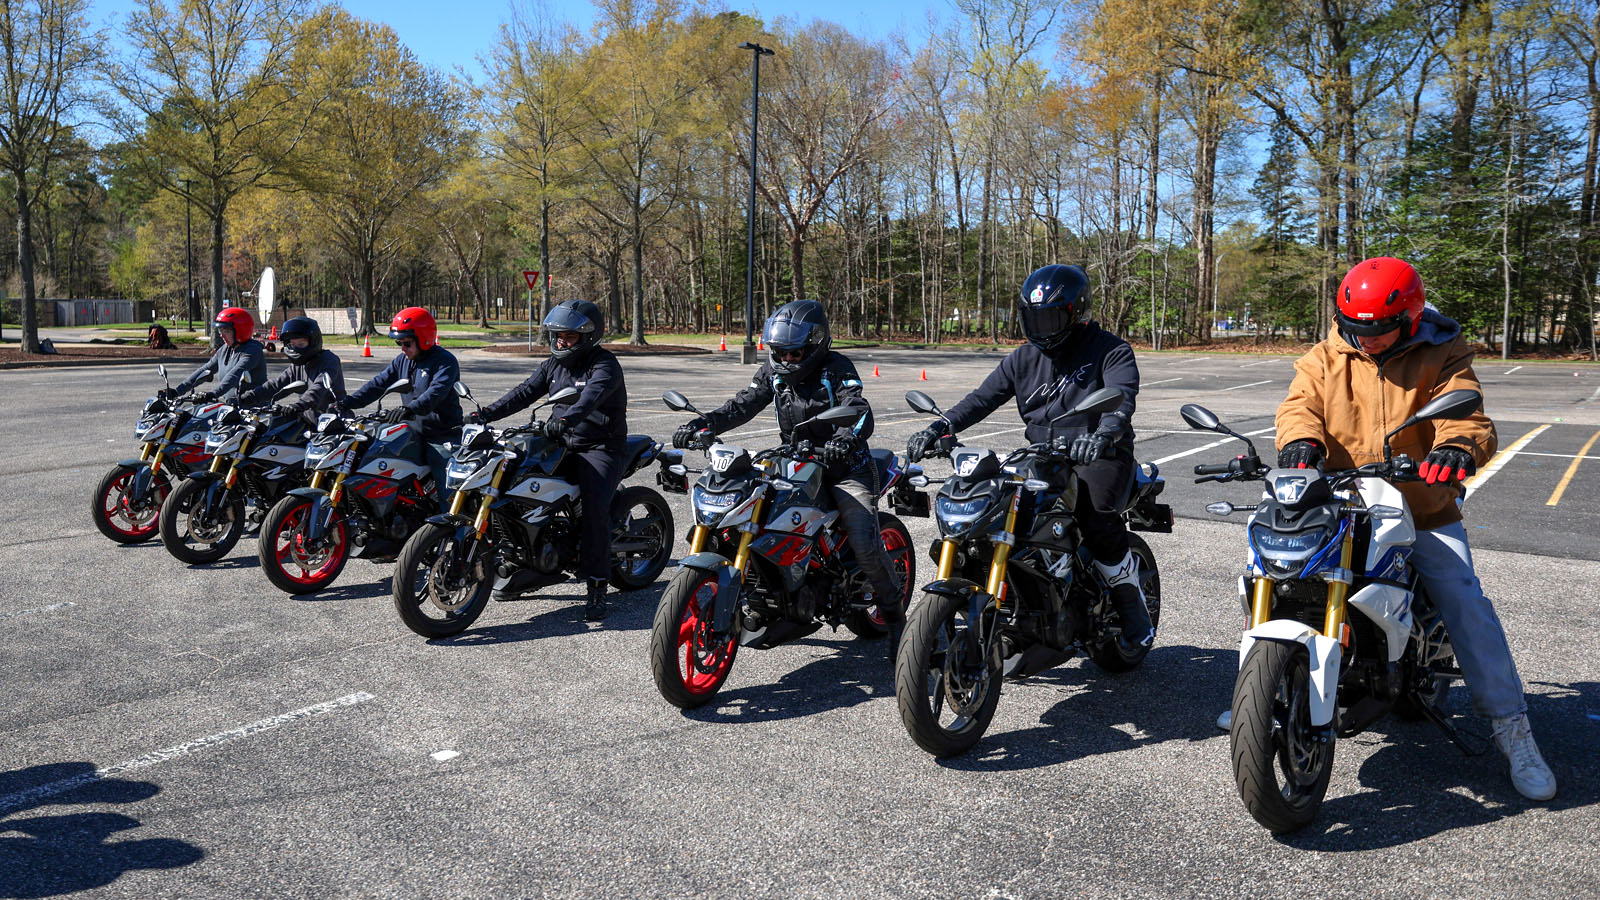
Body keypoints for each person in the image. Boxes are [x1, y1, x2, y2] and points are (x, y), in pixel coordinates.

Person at [1214, 256, 1556, 802]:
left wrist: (1455, 449)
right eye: (1356, 327)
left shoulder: (1443, 349)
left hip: (1421, 504)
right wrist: (1302, 442)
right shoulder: (1327, 353)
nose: (1365, 339)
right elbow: (1298, 405)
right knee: (1272, 570)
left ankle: (1514, 732)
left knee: (1464, 602)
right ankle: (1268, 686)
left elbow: (1467, 417)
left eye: (1377, 329)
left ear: (1410, 317)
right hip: (1342, 499)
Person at [905, 263, 1154, 650]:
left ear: (1077, 312)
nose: (1042, 328)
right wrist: (940, 427)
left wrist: (1104, 434)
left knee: (1094, 512)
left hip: (1100, 453)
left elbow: (1121, 401)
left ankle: (1131, 605)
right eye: (1033, 319)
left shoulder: (1111, 350)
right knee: (997, 505)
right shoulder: (1023, 359)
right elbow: (982, 399)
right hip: (1041, 453)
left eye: (1050, 317)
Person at [673, 299, 906, 639]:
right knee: (753, 511)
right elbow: (743, 404)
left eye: (793, 353)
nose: (785, 360)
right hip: (794, 459)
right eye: (779, 352)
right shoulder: (774, 371)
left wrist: (843, 440)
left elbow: (857, 410)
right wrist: (703, 425)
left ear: (814, 345)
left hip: (844, 467)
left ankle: (897, 621)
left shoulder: (836, 368)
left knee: (864, 543)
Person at [471, 301, 625, 621]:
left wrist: (566, 420)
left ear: (587, 336)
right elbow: (524, 392)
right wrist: (484, 414)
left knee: (595, 508)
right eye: (555, 335)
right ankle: (525, 563)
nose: (559, 342)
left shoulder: (604, 365)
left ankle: (597, 583)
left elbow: (589, 398)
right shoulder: (552, 366)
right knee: (514, 485)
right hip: (559, 443)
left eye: (567, 336)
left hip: (599, 447)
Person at [342, 307, 462, 505]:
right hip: (411, 430)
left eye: (406, 343)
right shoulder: (402, 361)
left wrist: (410, 409)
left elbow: (435, 394)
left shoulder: (445, 362)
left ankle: (451, 529)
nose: (402, 348)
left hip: (441, 435)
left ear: (424, 338)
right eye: (399, 343)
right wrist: (349, 402)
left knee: (447, 489)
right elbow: (378, 384)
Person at [237, 316, 346, 419]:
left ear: (314, 341)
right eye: (293, 344)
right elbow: (276, 385)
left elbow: (319, 388)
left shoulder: (329, 360)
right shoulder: (298, 366)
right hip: (309, 420)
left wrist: (299, 405)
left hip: (333, 421)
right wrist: (247, 397)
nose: (296, 348)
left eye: (301, 344)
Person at [162, 307, 267, 402]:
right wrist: (177, 391)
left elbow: (234, 375)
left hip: (254, 410)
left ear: (241, 330)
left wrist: (213, 394)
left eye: (226, 331)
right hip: (233, 407)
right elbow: (205, 370)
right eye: (220, 330)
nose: (221, 335)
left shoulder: (252, 351)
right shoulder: (225, 349)